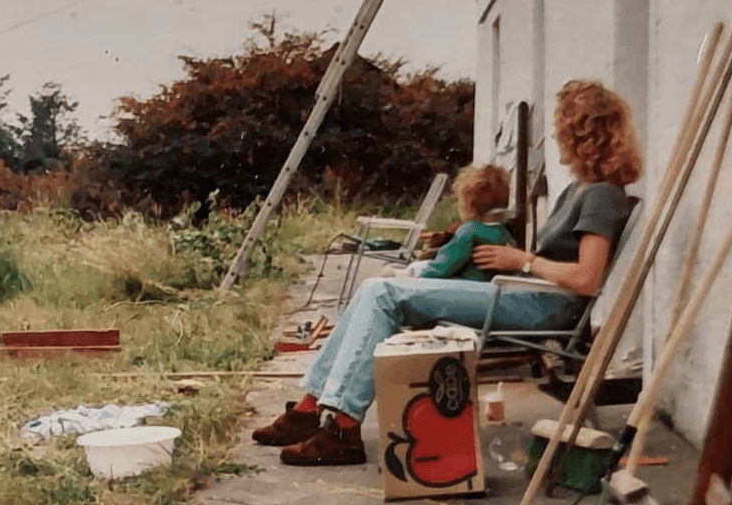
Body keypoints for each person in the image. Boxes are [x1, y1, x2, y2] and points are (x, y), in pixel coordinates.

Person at [253, 80, 642, 466]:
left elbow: (587, 279)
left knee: (385, 295)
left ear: (583, 133)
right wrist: (519, 263)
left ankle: (343, 426)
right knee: (375, 286)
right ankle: (310, 409)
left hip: (543, 305)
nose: (555, 135)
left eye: (561, 126)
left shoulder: (601, 195)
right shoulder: (583, 188)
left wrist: (520, 261)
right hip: (528, 293)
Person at [407, 162, 515, 281]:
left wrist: (419, 275)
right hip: (487, 285)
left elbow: (445, 266)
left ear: (470, 206)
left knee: (413, 270)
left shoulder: (470, 230)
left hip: (465, 285)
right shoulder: (503, 233)